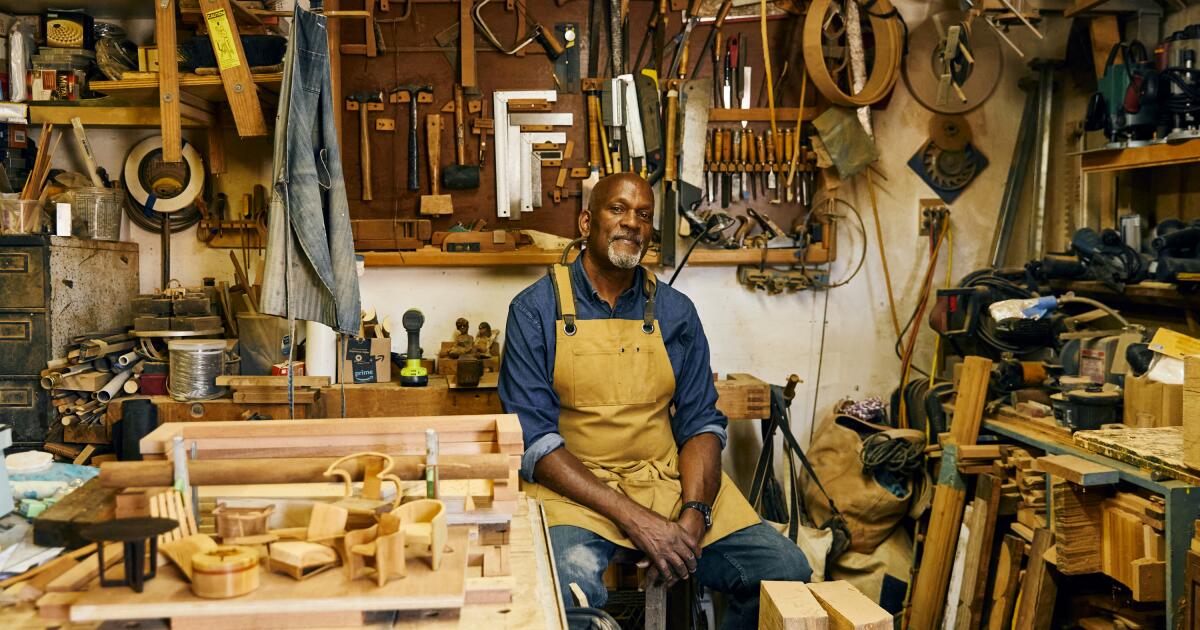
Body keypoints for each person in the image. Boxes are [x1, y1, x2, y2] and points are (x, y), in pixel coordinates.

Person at [498, 173, 811, 627]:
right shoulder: (535, 309)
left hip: (663, 480)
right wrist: (637, 520)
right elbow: (537, 443)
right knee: (564, 589)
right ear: (587, 221)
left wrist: (695, 514)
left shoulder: (674, 311)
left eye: (644, 215)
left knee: (785, 571)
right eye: (618, 210)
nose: (632, 224)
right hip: (574, 491)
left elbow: (702, 423)